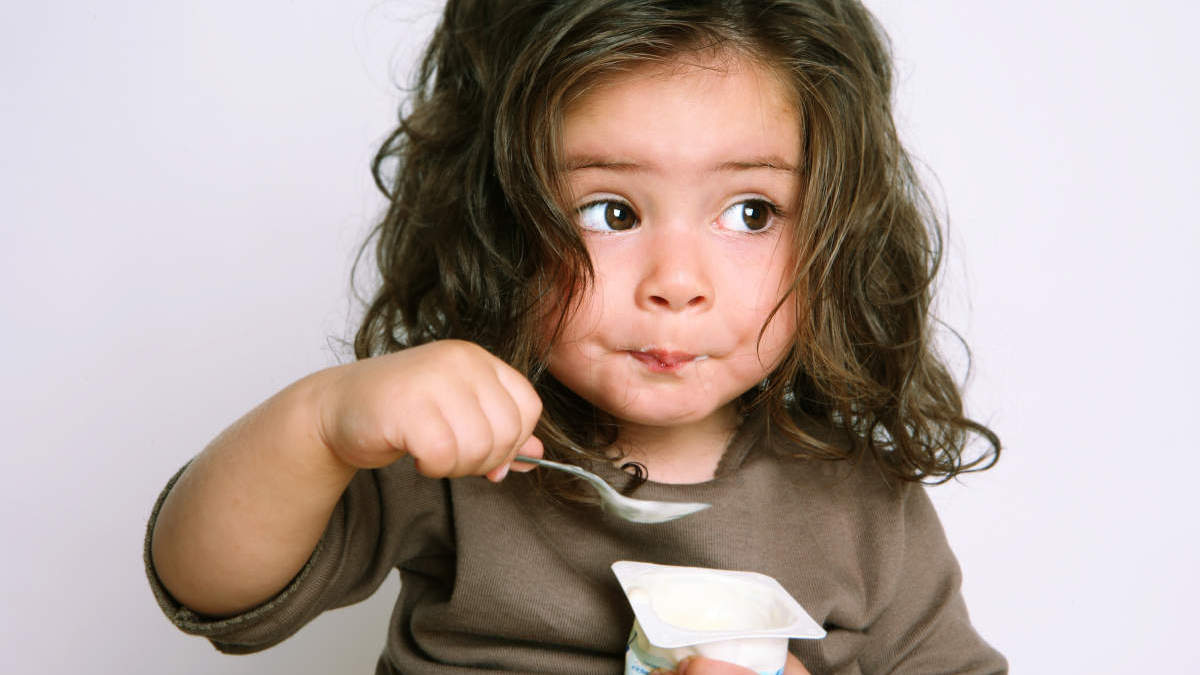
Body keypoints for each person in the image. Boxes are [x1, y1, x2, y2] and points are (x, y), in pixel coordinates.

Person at [144, 1, 1005, 673]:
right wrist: (322, 423)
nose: (677, 280)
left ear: (835, 234)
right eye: (612, 213)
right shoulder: (459, 442)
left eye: (751, 212)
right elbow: (207, 586)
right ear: (499, 224)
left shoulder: (866, 507)